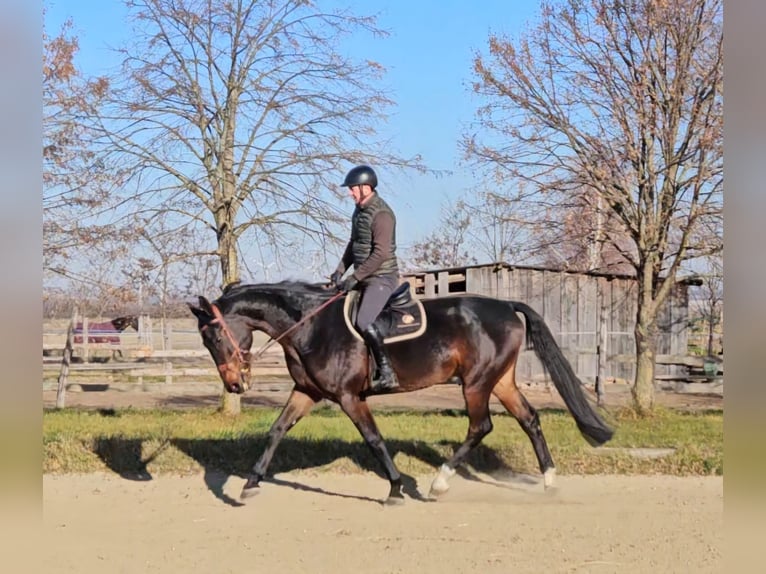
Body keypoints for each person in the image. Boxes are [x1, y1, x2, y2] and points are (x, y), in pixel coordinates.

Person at [331, 165, 400, 391]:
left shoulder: (382, 215)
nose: (350, 192)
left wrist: (355, 277)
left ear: (365, 187)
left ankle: (387, 372)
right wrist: (340, 270)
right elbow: (354, 244)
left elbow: (380, 254)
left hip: (382, 277)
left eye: (352, 188)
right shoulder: (359, 211)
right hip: (364, 276)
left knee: (363, 321)